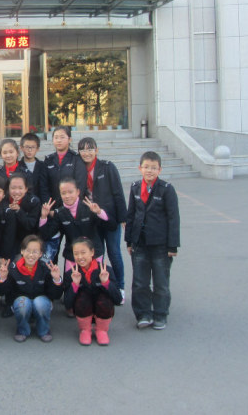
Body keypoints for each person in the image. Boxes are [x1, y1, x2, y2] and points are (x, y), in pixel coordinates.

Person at [125, 151, 180, 331]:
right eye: (146, 167)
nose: (149, 171)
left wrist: (172, 246)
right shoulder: (135, 187)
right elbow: (131, 215)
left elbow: (173, 218)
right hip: (139, 243)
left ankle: (160, 314)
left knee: (161, 282)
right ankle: (143, 314)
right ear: (139, 168)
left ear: (160, 170)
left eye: (153, 168)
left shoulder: (166, 189)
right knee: (140, 282)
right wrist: (129, 241)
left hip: (160, 245)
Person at [73, 137, 128, 302]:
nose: (87, 153)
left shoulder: (107, 167)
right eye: (83, 150)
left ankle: (120, 287)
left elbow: (118, 193)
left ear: (96, 150)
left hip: (109, 218)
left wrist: (123, 218)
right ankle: (99, 286)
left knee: (114, 253)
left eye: (90, 149)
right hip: (92, 220)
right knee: (97, 255)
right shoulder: (78, 169)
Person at [0, 235, 63, 342]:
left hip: (41, 302)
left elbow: (56, 295)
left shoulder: (46, 268)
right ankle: (22, 330)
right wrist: (3, 278)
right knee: (23, 304)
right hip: (21, 302)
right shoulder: (13, 268)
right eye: (28, 251)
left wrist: (56, 279)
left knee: (40, 303)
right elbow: (1, 292)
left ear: (40, 254)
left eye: (35, 252)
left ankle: (44, 330)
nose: (31, 255)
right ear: (22, 251)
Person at [63, 237, 122, 346]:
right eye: (76, 254)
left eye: (83, 252)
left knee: (104, 299)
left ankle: (101, 330)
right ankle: (85, 330)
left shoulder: (106, 270)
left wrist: (106, 282)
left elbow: (118, 299)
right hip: (83, 312)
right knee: (82, 298)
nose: (80, 257)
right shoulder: (71, 273)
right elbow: (67, 303)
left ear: (92, 252)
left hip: (102, 311)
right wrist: (74, 284)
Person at [40, 126, 78, 260]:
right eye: (56, 137)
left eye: (62, 137)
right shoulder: (48, 160)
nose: (59, 140)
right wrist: (49, 208)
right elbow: (44, 186)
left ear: (69, 139)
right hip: (53, 212)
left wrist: (71, 208)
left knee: (74, 249)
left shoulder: (76, 159)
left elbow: (80, 185)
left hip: (71, 212)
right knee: (51, 252)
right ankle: (53, 274)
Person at [7, 172, 42, 249]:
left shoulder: (34, 202)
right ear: (8, 188)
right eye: (13, 188)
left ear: (26, 189)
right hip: (7, 241)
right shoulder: (3, 200)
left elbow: (30, 225)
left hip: (27, 241)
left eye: (20, 188)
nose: (17, 191)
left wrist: (18, 210)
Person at [19, 132, 47, 200]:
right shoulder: (18, 166)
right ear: (21, 148)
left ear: (38, 149)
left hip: (39, 203)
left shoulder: (43, 166)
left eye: (33, 147)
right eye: (27, 147)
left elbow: (45, 188)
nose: (30, 150)